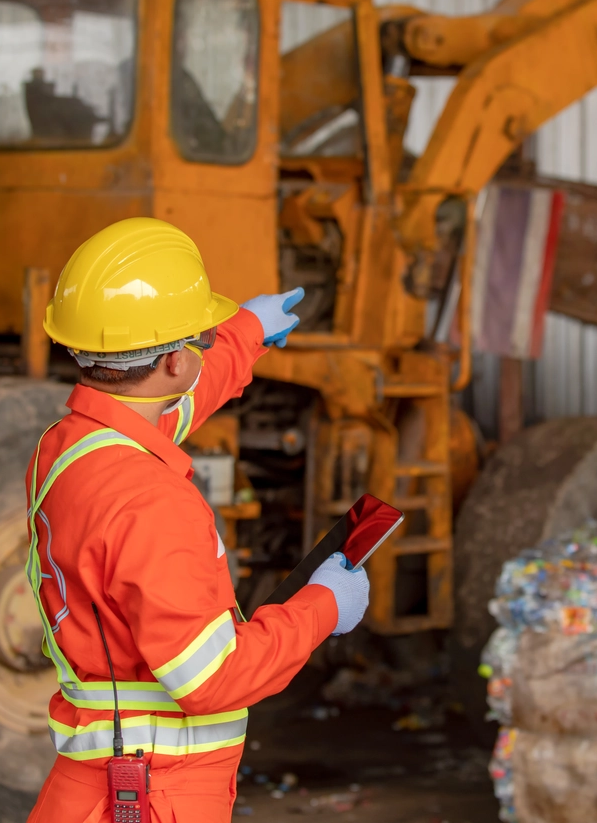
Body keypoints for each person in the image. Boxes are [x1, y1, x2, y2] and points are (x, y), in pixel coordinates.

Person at [24, 217, 369, 822]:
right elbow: (212, 678)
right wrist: (323, 608)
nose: (203, 349)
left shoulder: (71, 446)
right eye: (199, 339)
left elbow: (174, 400)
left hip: (92, 786)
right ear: (176, 363)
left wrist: (245, 334)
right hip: (152, 796)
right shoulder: (153, 501)